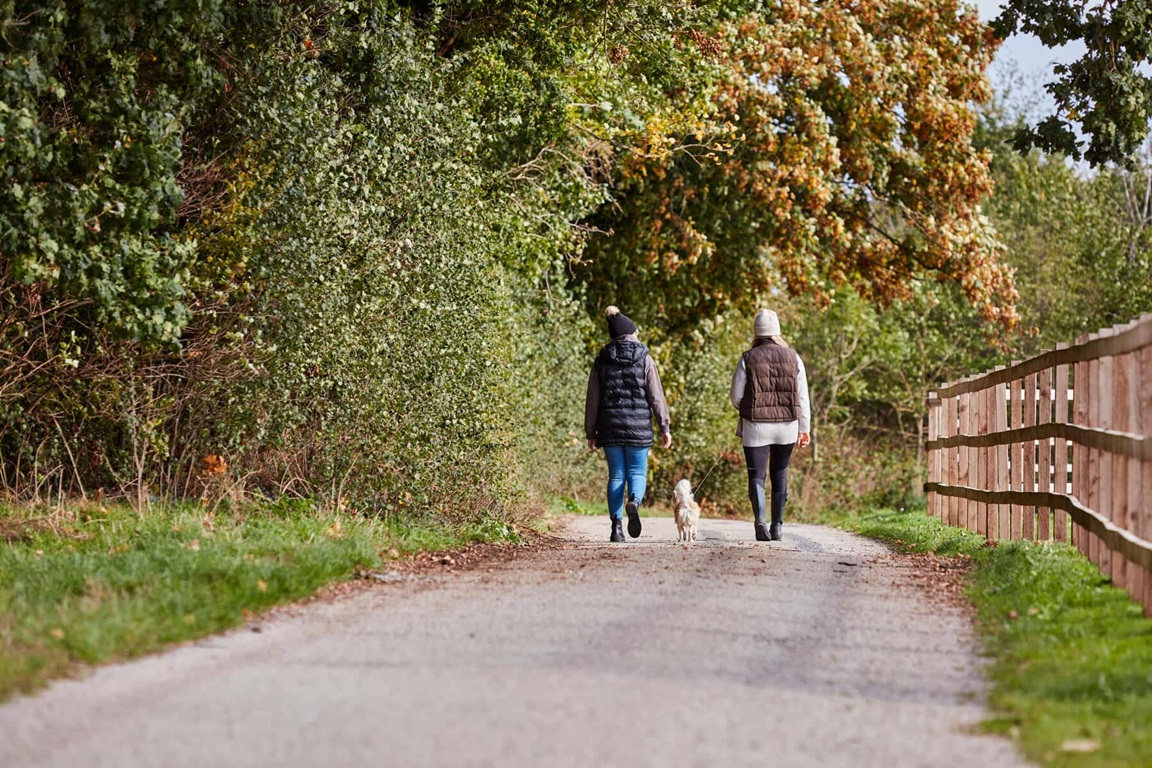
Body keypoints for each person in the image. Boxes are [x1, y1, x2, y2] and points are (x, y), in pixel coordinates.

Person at [585, 306, 673, 542]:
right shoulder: (645, 358)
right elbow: (656, 396)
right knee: (636, 471)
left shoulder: (601, 361)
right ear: (631, 333)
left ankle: (616, 527)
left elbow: (592, 399)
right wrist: (664, 426)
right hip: (638, 426)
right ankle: (633, 501)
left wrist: (590, 432)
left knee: (616, 475)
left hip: (609, 426)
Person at [729, 309, 811, 541]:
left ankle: (760, 520)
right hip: (787, 426)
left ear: (756, 332)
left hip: (755, 426)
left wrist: (746, 408)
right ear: (777, 332)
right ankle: (777, 527)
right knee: (780, 472)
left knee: (757, 475)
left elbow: (736, 396)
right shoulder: (793, 357)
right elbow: (802, 397)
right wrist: (804, 428)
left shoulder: (747, 358)